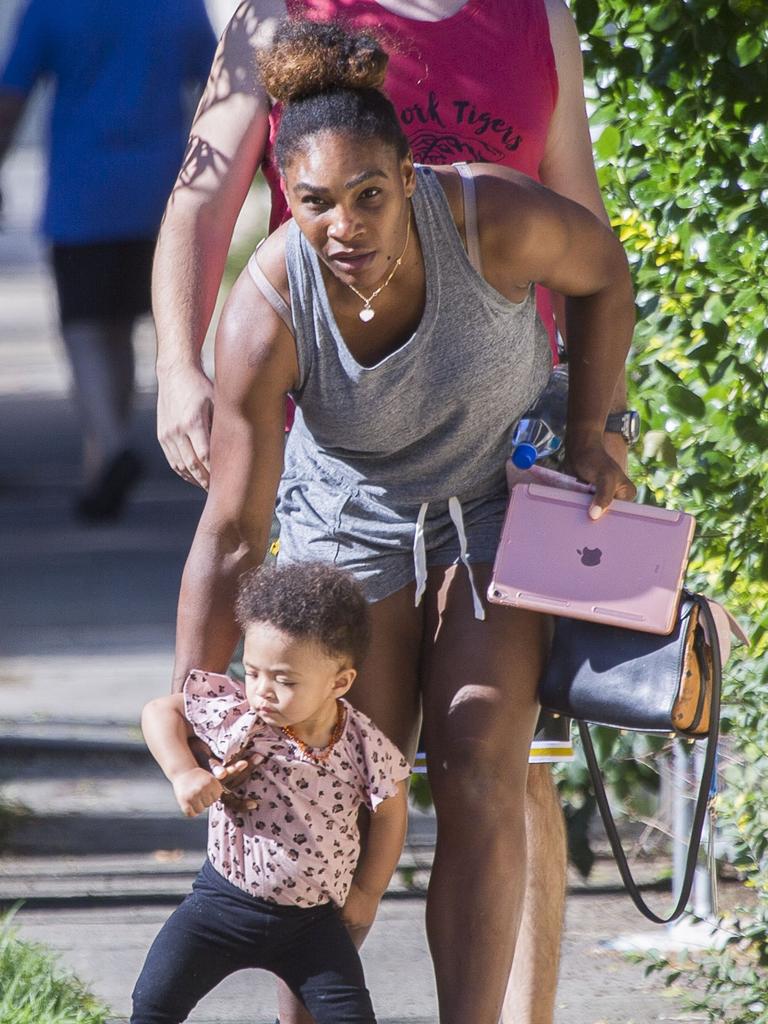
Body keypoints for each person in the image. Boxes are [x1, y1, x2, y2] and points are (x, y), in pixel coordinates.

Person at [153, 5, 637, 1021]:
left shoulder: (490, 208)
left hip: (498, 489)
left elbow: (599, 263)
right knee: (327, 795)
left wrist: (593, 430)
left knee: (482, 761)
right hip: (348, 515)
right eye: (319, 203)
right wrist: (199, 709)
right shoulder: (269, 304)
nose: (348, 228)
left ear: (408, 179)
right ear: (290, 197)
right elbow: (232, 532)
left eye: (371, 195)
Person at [135, 560, 410, 1024]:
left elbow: (391, 811)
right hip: (220, 904)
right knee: (154, 1001)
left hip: (312, 924)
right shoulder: (238, 713)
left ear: (339, 683)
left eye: (284, 680)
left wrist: (368, 891)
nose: (262, 691)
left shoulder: (363, 742)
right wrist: (184, 772)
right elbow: (161, 712)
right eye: (253, 671)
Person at [0, 0, 216, 520]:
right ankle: (102, 461)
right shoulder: (173, 6)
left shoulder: (51, 8)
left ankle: (111, 442)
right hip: (163, 190)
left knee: (86, 328)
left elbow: (12, 96)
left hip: (82, 190)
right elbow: (217, 80)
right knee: (118, 327)